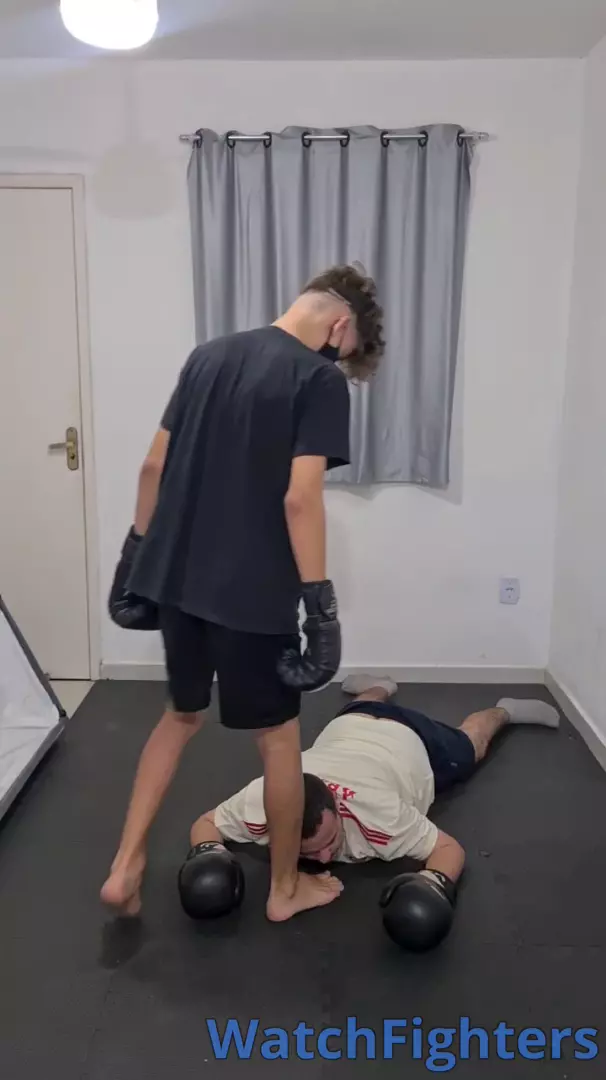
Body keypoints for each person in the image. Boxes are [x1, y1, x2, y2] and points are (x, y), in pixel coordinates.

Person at [101, 265, 385, 923]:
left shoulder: (208, 356)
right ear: (340, 325)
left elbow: (152, 466)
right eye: (342, 351)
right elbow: (300, 498)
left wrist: (134, 557)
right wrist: (320, 606)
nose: (336, 362)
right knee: (280, 739)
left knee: (179, 717)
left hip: (177, 580)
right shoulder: (317, 379)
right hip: (251, 591)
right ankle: (285, 890)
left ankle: (124, 866)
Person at [188, 675, 560, 887]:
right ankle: (381, 685)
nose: (324, 859)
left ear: (338, 808)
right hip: (352, 723)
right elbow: (206, 823)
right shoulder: (264, 799)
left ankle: (505, 710)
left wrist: (433, 886)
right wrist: (212, 856)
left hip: (415, 741)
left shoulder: (382, 815)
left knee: (471, 744)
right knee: (364, 704)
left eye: (329, 842)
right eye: (309, 852)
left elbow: (449, 850)